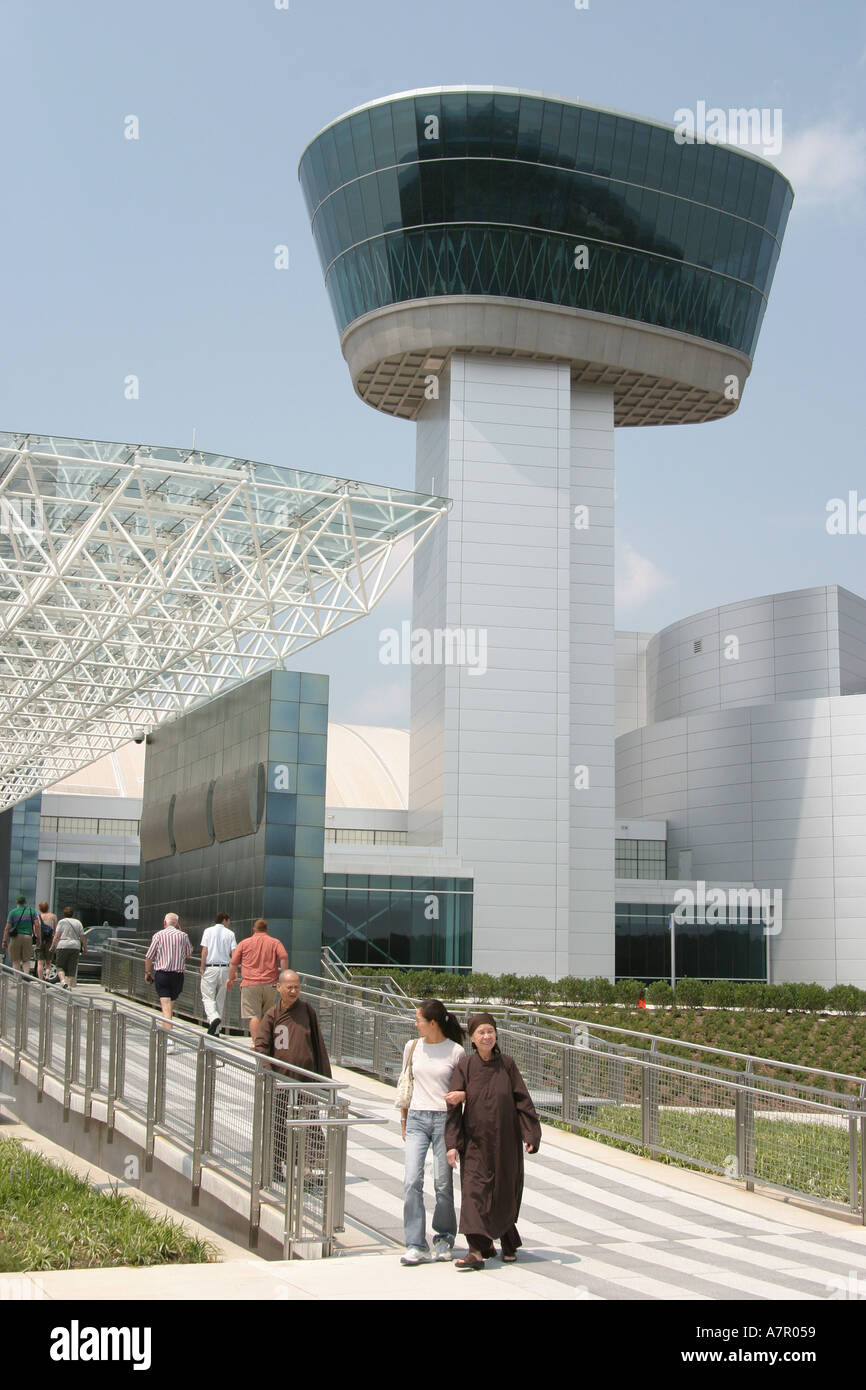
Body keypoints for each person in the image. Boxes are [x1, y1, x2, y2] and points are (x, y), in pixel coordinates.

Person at [445, 1011, 541, 1271]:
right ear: (473, 1039)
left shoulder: (507, 1065)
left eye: (490, 1031)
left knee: (502, 1191)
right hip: (475, 1142)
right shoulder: (465, 1066)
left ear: (496, 1035)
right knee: (473, 1192)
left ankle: (508, 1240)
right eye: (481, 1033)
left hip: (505, 1141)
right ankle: (476, 1251)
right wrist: (452, 1143)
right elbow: (453, 1106)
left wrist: (530, 1134)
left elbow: (523, 1100)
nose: (486, 1036)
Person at [399, 998, 467, 1267]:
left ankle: (443, 1238)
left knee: (442, 1184)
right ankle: (415, 1243)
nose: (415, 1024)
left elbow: (462, 1088)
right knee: (411, 1181)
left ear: (433, 1023)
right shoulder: (412, 1047)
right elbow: (406, 1081)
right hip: (416, 1117)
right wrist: (403, 1117)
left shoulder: (456, 1052)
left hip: (444, 1120)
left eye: (419, 1020)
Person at [254, 969, 331, 1184]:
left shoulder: (307, 1011)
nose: (293, 991)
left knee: (308, 1126)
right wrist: (269, 1070)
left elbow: (318, 1045)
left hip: (305, 1082)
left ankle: (308, 1172)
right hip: (280, 1082)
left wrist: (323, 1078)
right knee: (278, 1125)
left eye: (297, 986)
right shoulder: (272, 1014)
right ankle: (275, 1166)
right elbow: (261, 1046)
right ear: (278, 988)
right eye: (289, 987)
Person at [227, 918, 288, 1043]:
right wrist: (283, 977)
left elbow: (233, 963)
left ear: (254, 929)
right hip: (270, 983)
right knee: (267, 1015)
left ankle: (256, 1043)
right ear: (266, 929)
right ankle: (266, 1041)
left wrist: (231, 978)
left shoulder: (244, 943)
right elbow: (284, 956)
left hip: (250, 984)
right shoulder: (274, 942)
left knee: (254, 1016)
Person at [144, 912, 192, 1037]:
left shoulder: (158, 935)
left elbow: (149, 956)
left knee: (165, 1007)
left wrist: (147, 972)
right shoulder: (183, 936)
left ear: (164, 922)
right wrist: (180, 931)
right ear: (177, 924)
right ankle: (168, 1032)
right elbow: (188, 954)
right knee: (170, 1005)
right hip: (177, 976)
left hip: (162, 975)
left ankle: (169, 1036)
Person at [199, 911, 237, 1036]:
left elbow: (205, 950)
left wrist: (202, 966)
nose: (229, 923)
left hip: (211, 967)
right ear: (224, 920)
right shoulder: (230, 934)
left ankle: (213, 1018)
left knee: (208, 997)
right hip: (225, 968)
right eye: (229, 920)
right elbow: (234, 953)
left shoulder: (207, 931)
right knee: (220, 999)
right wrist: (234, 971)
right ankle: (216, 1030)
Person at [50, 907, 87, 988]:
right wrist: (84, 947)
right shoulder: (78, 922)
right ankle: (69, 987)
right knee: (72, 967)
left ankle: (63, 981)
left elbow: (57, 935)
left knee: (60, 966)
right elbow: (82, 937)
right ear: (72, 913)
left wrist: (52, 946)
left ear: (64, 914)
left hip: (62, 945)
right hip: (75, 946)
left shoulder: (62, 922)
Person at [2, 895, 40, 974]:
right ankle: (26, 977)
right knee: (26, 960)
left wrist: (4, 940)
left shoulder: (13, 912)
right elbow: (37, 924)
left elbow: (7, 928)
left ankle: (17, 981)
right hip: (28, 937)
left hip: (15, 937)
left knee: (16, 960)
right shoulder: (31, 911)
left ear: (17, 902)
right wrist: (38, 938)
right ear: (25, 902)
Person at [35, 902, 58, 981]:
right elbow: (55, 930)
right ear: (48, 907)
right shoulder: (53, 916)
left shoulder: (37, 917)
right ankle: (47, 976)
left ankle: (41, 980)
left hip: (40, 940)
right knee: (48, 962)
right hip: (50, 940)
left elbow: (35, 929)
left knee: (40, 962)